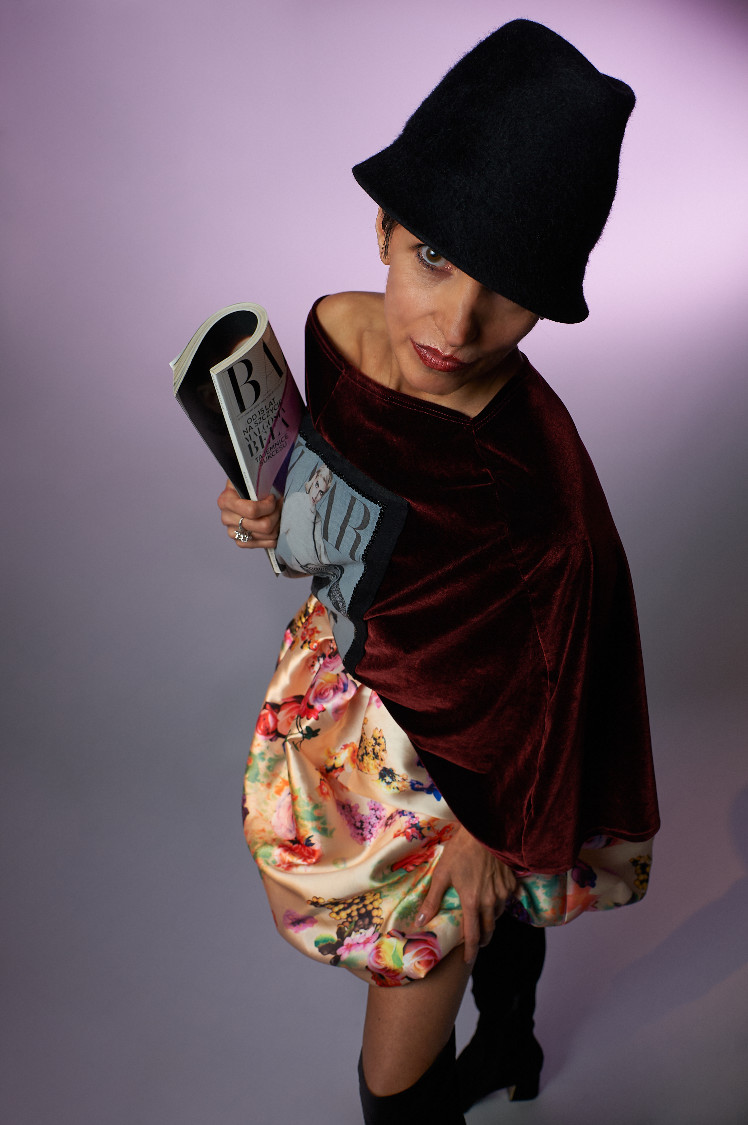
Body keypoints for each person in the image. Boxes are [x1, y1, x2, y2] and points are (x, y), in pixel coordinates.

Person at [216, 19, 659, 1123]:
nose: (456, 324)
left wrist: (492, 836)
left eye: (508, 290)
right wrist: (273, 507)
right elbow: (355, 484)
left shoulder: (536, 485)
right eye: (434, 258)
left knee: (403, 1034)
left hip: (479, 764)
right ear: (382, 226)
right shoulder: (334, 329)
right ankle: (510, 1039)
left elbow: (566, 672)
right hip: (361, 681)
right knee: (414, 922)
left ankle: (482, 1044)